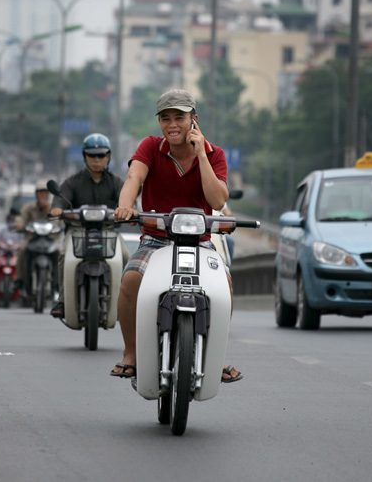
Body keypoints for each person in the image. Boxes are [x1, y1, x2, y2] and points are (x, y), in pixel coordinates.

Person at [112, 88, 242, 383]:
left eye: (179, 118)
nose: (172, 125)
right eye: (165, 118)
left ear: (194, 120)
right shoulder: (150, 147)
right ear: (159, 122)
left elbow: (217, 200)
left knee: (224, 285)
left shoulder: (215, 154)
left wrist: (201, 155)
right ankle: (131, 353)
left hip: (200, 242)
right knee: (130, 279)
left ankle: (215, 355)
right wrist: (125, 206)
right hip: (155, 239)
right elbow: (134, 177)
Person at [48, 133, 126, 318]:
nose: (96, 159)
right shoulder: (72, 181)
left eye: (101, 155)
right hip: (77, 231)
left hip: (107, 231)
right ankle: (63, 301)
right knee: (63, 255)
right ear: (84, 156)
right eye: (92, 155)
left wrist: (130, 211)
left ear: (108, 156)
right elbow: (60, 199)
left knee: (125, 255)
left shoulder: (117, 182)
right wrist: (57, 209)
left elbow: (127, 200)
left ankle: (122, 302)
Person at [14, 180, 57, 301]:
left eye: (45, 192)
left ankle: (59, 283)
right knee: (22, 250)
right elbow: (21, 218)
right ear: (36, 194)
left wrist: (48, 210)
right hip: (32, 238)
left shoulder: (53, 207)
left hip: (51, 239)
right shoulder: (28, 207)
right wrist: (20, 224)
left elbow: (58, 220)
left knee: (60, 252)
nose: (43, 195)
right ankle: (19, 280)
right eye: (40, 192)